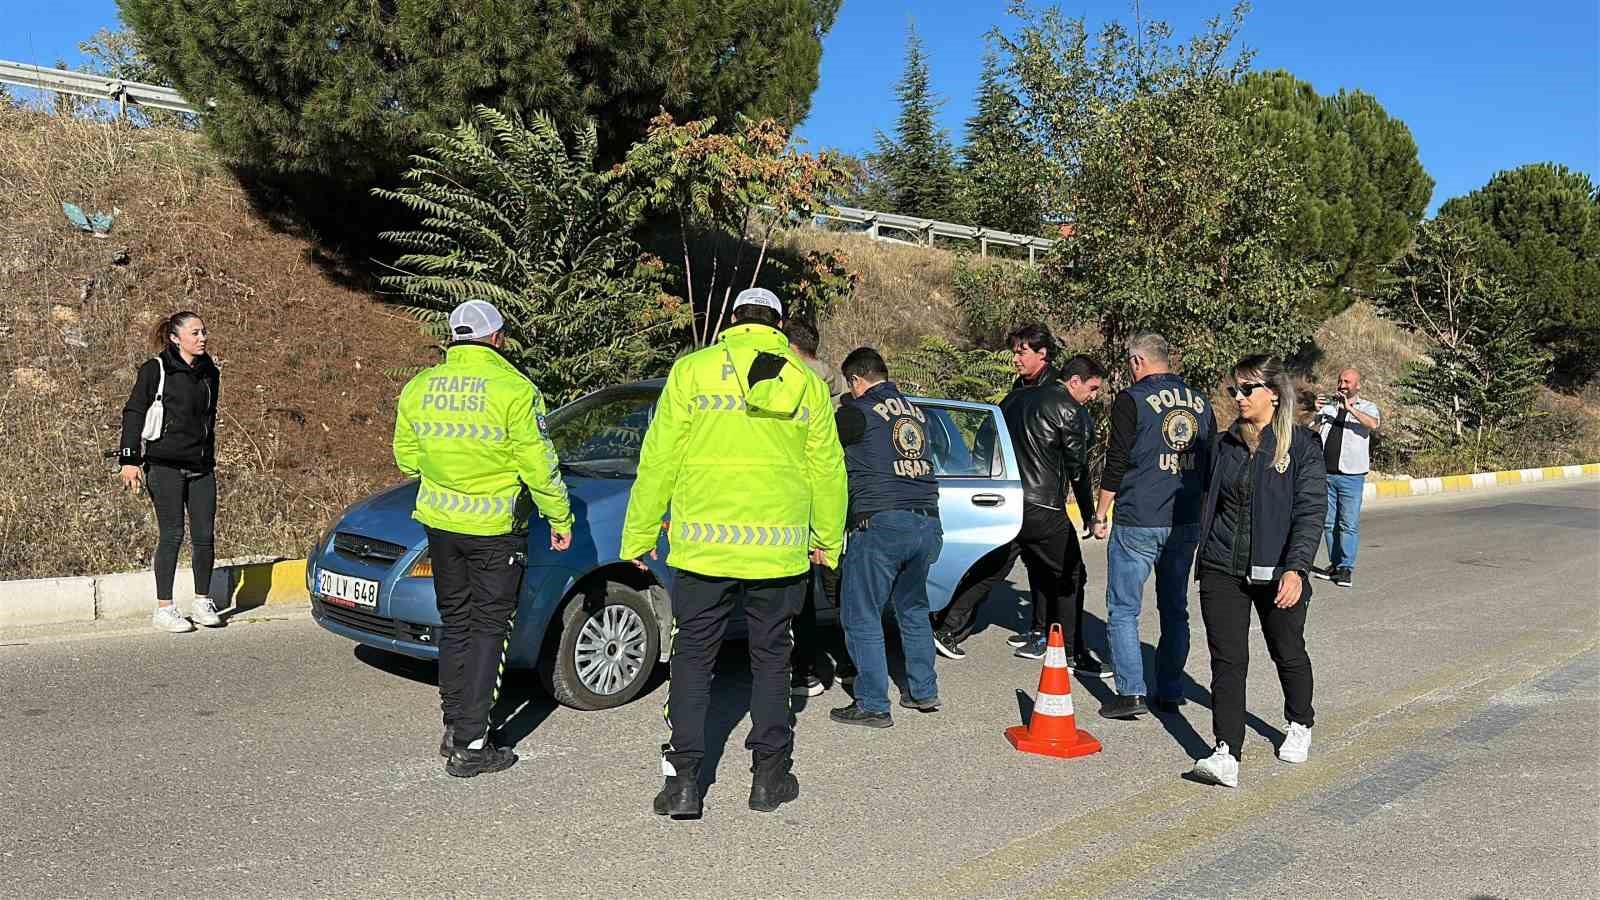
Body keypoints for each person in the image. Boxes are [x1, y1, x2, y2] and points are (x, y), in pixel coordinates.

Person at [621, 287, 846, 819]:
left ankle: (682, 784)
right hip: (778, 553)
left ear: (732, 320)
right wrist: (827, 540)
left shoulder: (692, 371)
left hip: (703, 550)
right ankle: (769, 779)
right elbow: (828, 470)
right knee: (772, 660)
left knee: (694, 659)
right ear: (778, 324)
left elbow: (658, 460)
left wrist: (639, 535)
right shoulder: (806, 383)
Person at [392, 299, 574, 778]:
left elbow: (406, 460)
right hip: (494, 530)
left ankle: (454, 724)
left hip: (440, 523)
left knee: (456, 622)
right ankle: (473, 743)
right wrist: (559, 517)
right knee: (490, 630)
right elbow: (539, 464)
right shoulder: (514, 389)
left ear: (454, 336)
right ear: (497, 338)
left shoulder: (421, 386)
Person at [931, 329, 1104, 675]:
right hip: (1043, 506)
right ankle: (1072, 652)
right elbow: (1078, 470)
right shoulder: (1067, 409)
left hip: (1010, 504)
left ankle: (948, 627)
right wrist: (1090, 514)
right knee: (1071, 574)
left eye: (1022, 352)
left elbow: (984, 445)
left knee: (992, 567)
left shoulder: (1012, 400)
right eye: (1093, 389)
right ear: (1075, 382)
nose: (1093, 397)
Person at [1190, 355, 1325, 788]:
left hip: (1280, 570)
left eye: (1247, 389)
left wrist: (1296, 568)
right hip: (1221, 565)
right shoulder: (1224, 443)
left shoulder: (1301, 446)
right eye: (1234, 390)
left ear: (1273, 393)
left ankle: (1300, 722)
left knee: (1286, 649)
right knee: (1228, 660)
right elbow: (1207, 499)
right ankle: (1226, 751)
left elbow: (1310, 511)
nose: (1239, 398)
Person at [1092, 332, 1214, 720]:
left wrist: (1100, 513)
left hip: (1138, 519)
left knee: (1124, 609)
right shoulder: (1201, 402)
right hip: (1184, 519)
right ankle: (1171, 689)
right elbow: (1211, 463)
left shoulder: (1132, 401)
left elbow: (1117, 460)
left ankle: (1131, 693)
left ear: (1138, 362)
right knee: (1175, 609)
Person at [828, 347, 943, 728]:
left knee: (861, 614)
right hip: (927, 522)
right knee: (912, 609)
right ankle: (923, 691)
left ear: (856, 380)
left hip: (881, 523)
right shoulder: (917, 413)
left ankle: (873, 703)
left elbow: (821, 452)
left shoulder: (856, 412)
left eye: (851, 385)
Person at [119, 311, 222, 634]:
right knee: (173, 534)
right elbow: (134, 412)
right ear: (176, 339)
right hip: (164, 466)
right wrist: (130, 459)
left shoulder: (210, 373)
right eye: (195, 333)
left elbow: (209, 418)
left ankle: (203, 601)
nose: (202, 337)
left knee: (204, 536)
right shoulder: (156, 370)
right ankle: (165, 608)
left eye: (203, 331)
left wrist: (207, 455)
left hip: (201, 467)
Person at [783, 318, 855, 697]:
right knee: (840, 592)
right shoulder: (845, 393)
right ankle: (849, 663)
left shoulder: (784, 387)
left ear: (792, 348)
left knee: (801, 596)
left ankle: (805, 669)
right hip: (836, 511)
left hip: (794, 509)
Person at [1311, 368, 1380, 588]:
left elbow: (1373, 424)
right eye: (1340, 381)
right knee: (1329, 523)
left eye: (1347, 382)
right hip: (1326, 474)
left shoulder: (1367, 407)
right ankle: (1336, 563)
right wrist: (1315, 412)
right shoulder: (1329, 408)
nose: (1342, 385)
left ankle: (1346, 568)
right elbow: (1310, 430)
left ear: (1357, 386)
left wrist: (1349, 409)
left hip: (1351, 476)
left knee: (1347, 523)